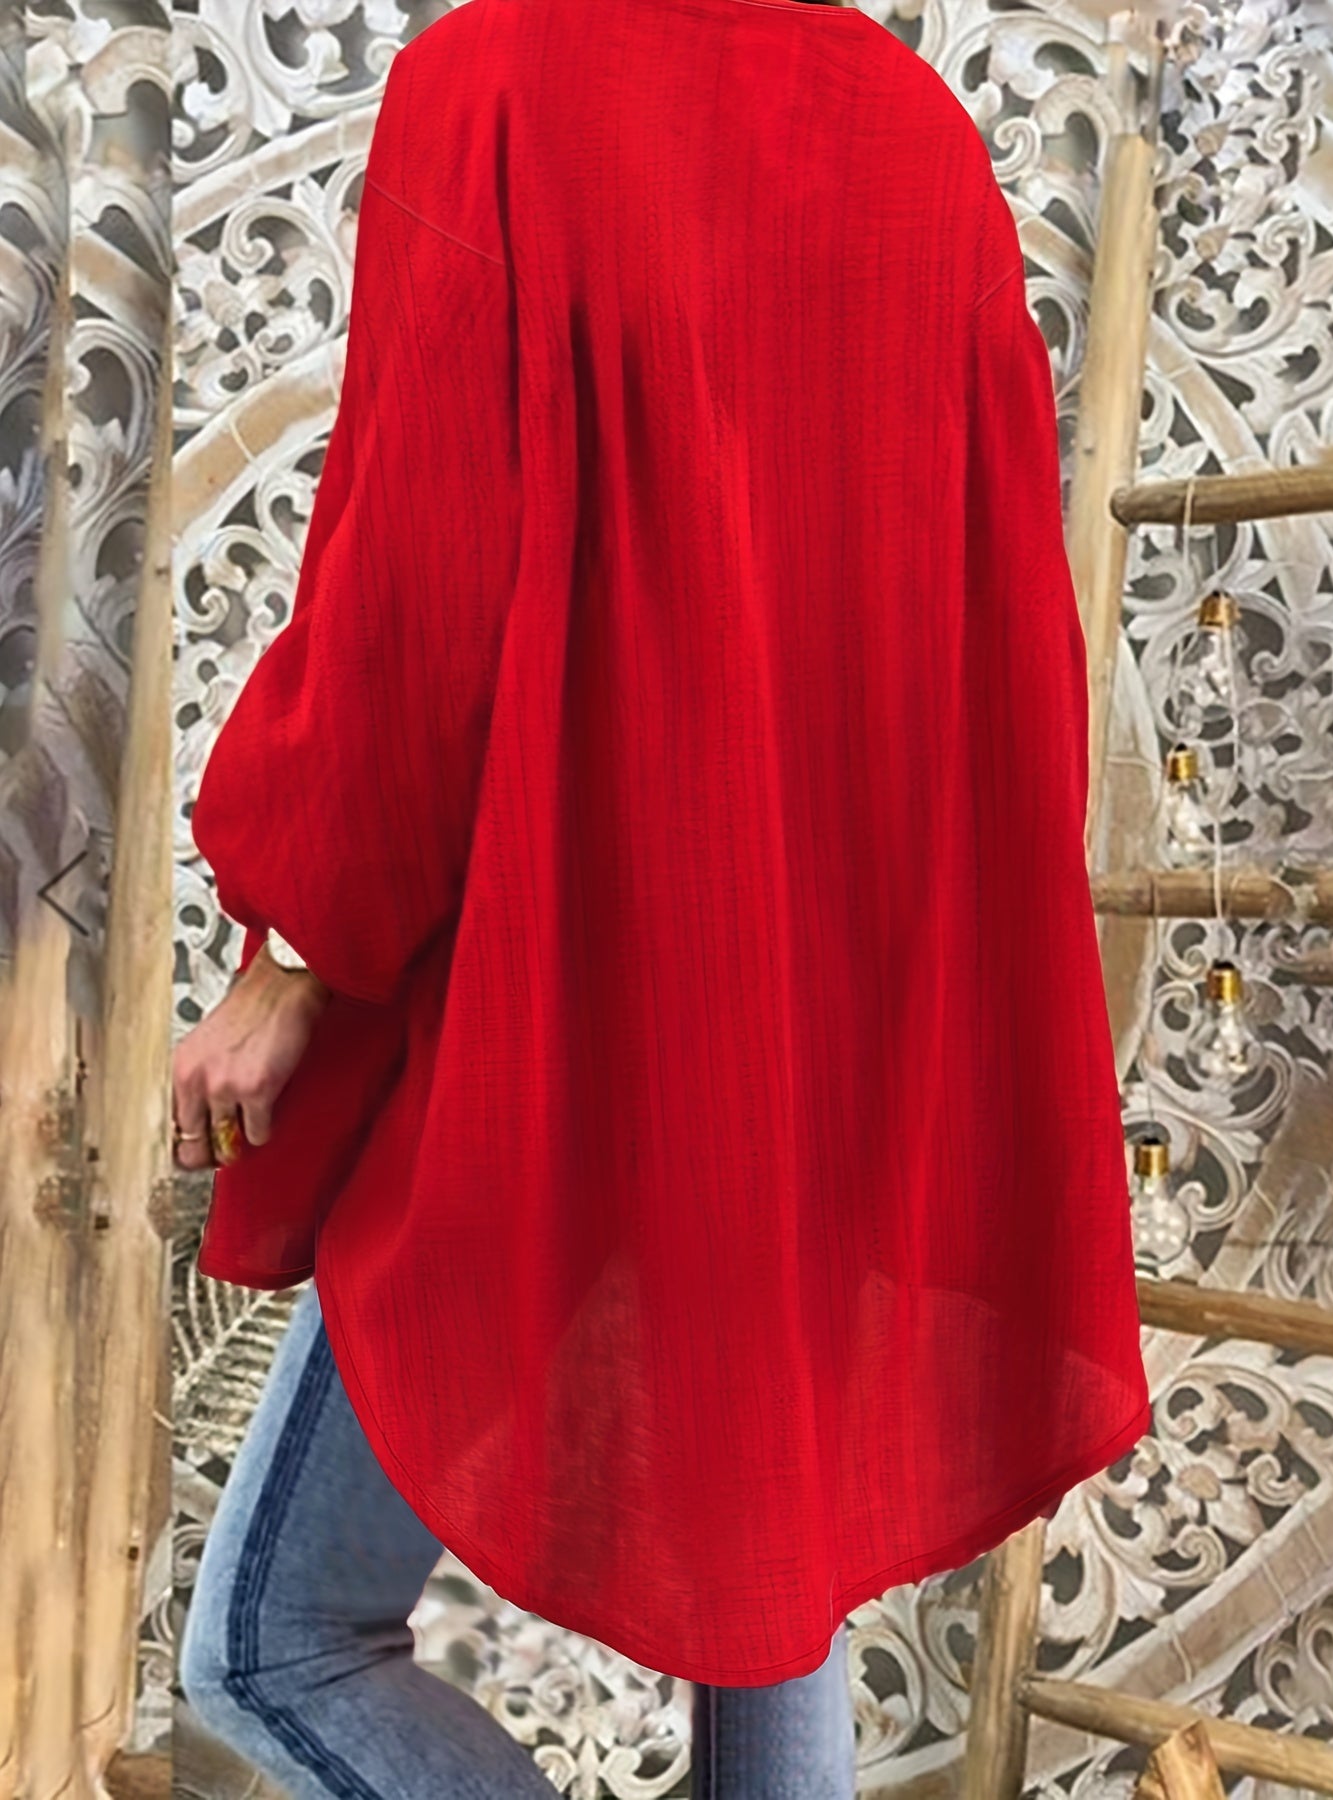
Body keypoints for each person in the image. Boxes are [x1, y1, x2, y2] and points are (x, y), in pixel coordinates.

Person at [174, 0, 1152, 1786]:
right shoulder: (919, 140)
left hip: (573, 988)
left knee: (273, 1642)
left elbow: (417, 579)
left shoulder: (498, 81)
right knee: (777, 1576)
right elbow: (994, 629)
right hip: (826, 1020)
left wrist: (298, 953)